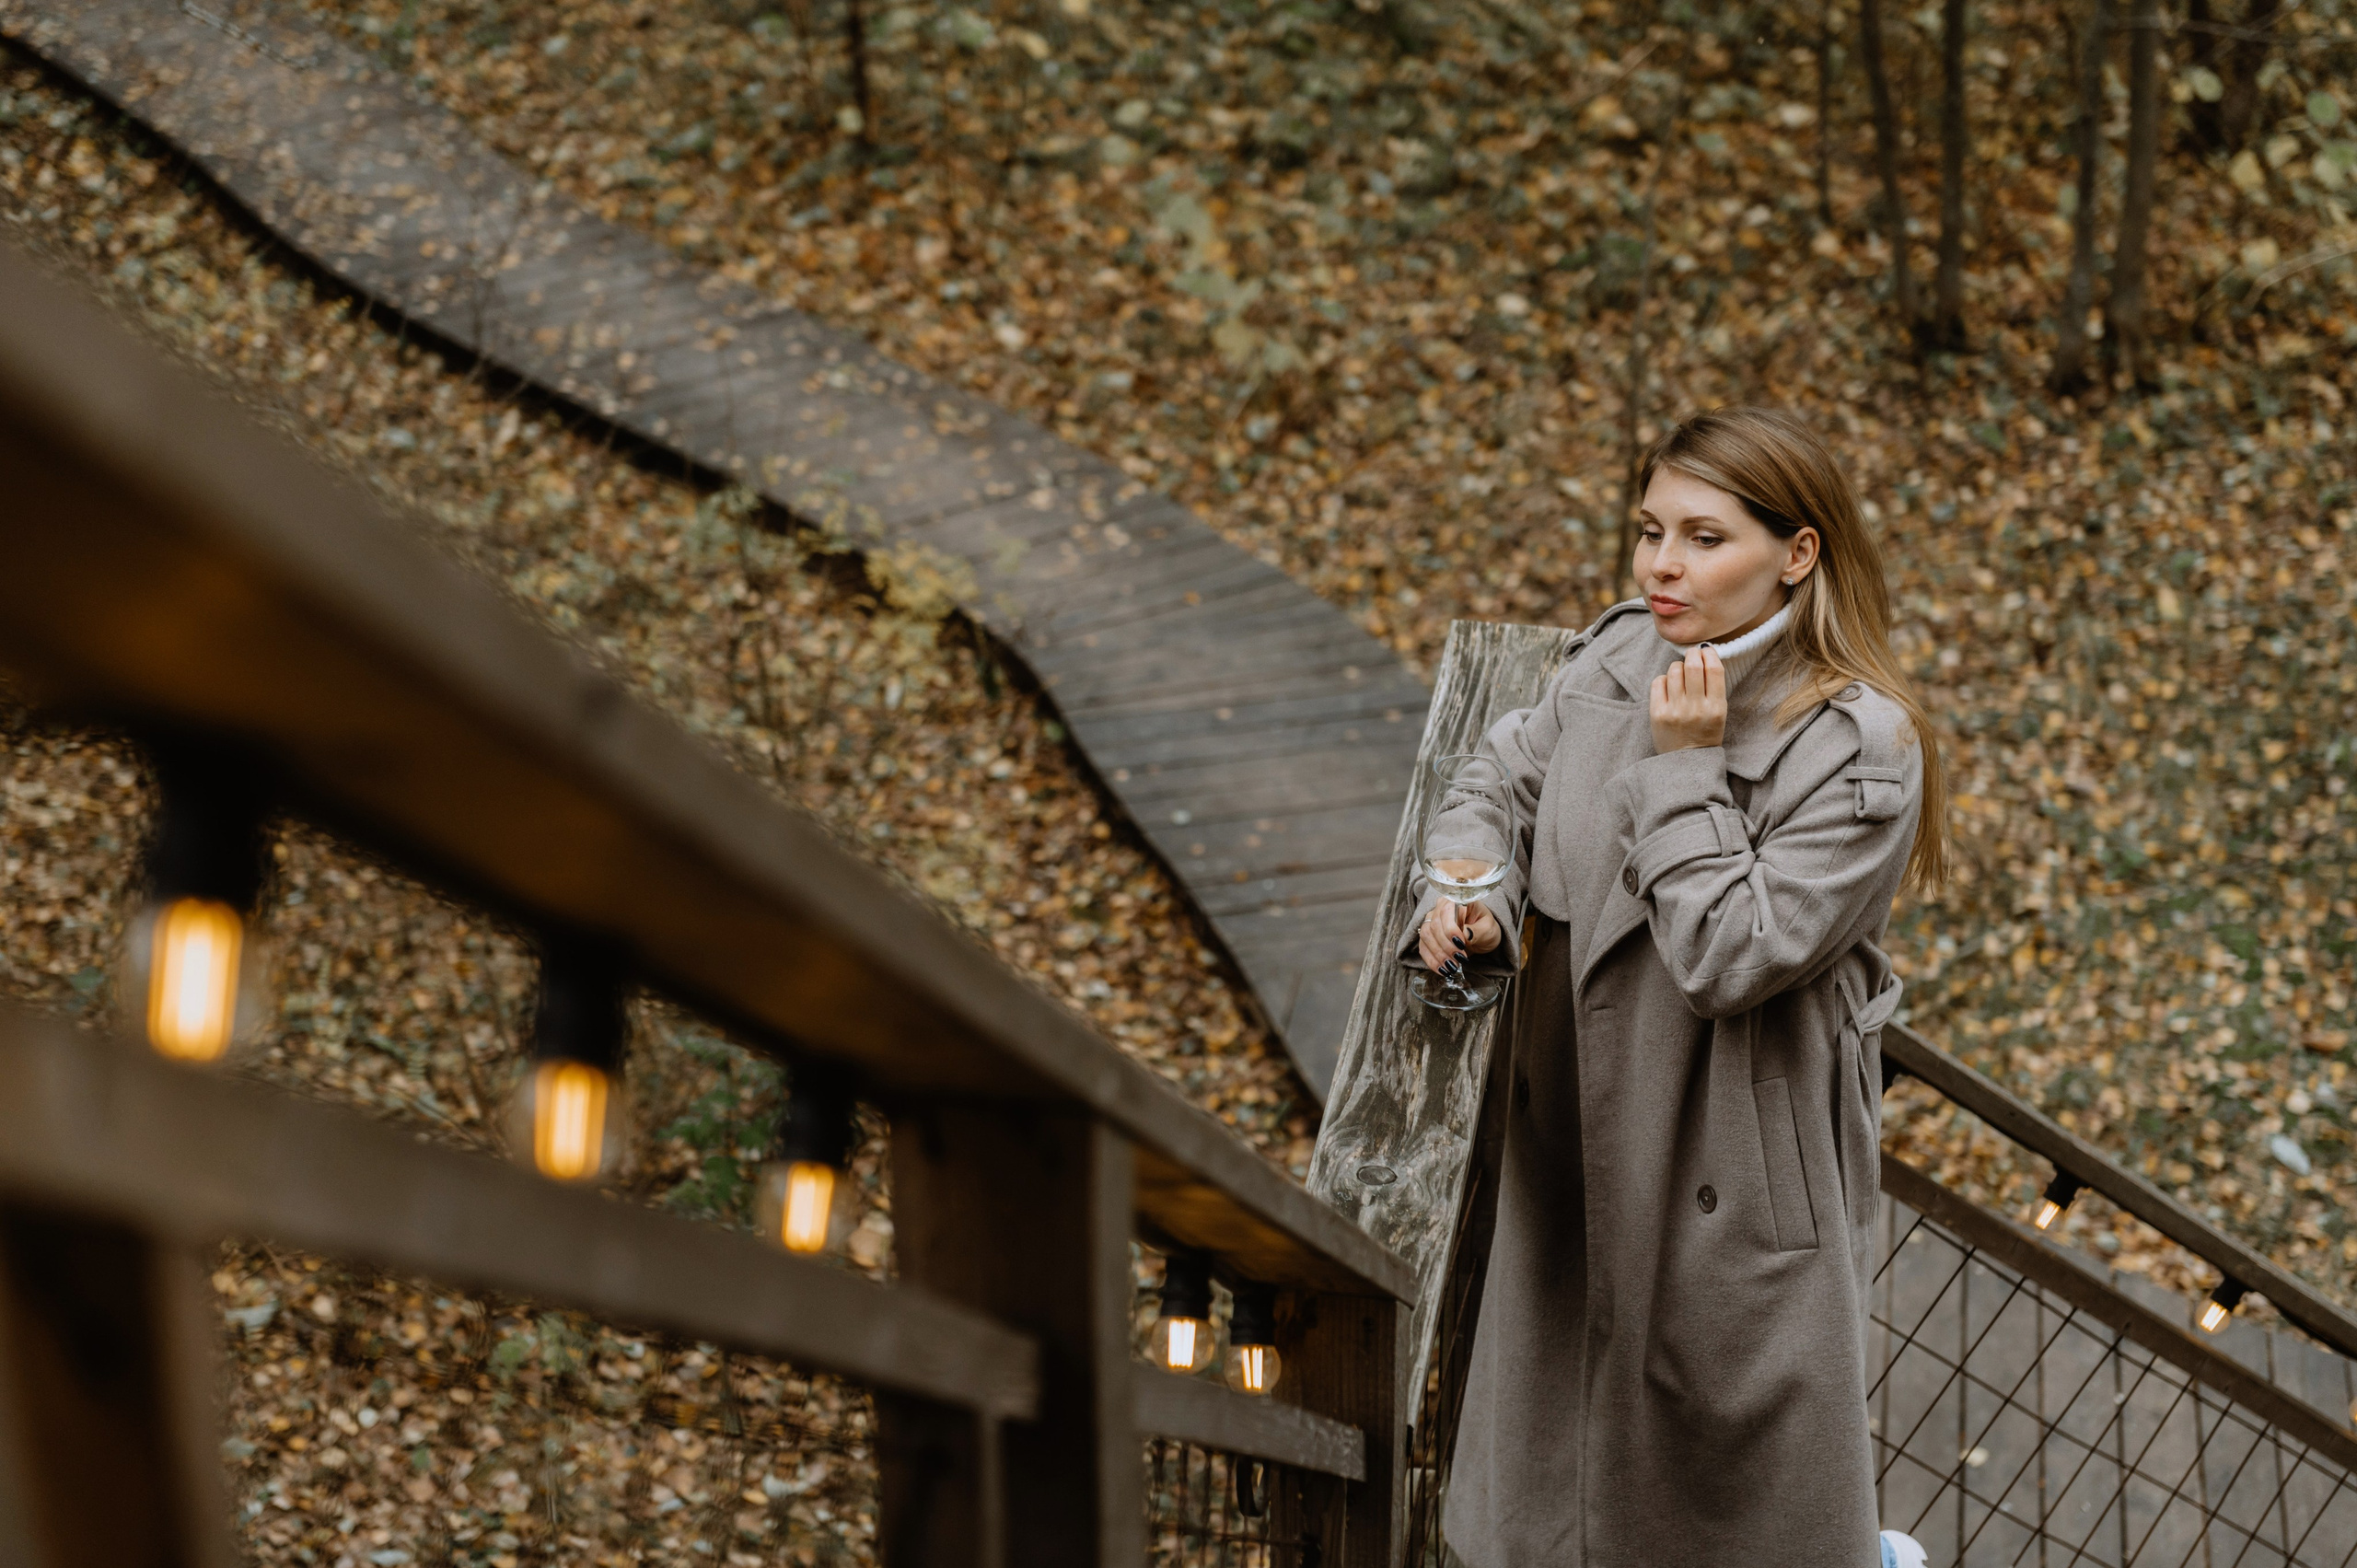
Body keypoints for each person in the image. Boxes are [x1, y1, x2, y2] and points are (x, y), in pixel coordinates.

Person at [1406, 406, 1948, 1566]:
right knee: (1553, 1497)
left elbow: (1728, 956)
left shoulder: (1859, 746)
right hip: (1573, 1154)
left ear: (1796, 553)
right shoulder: (1616, 658)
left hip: (1728, 1168)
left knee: (1729, 1514)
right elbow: (1496, 773)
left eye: (1705, 538)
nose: (1661, 564)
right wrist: (1473, 885)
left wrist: (1687, 768)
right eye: (1651, 529)